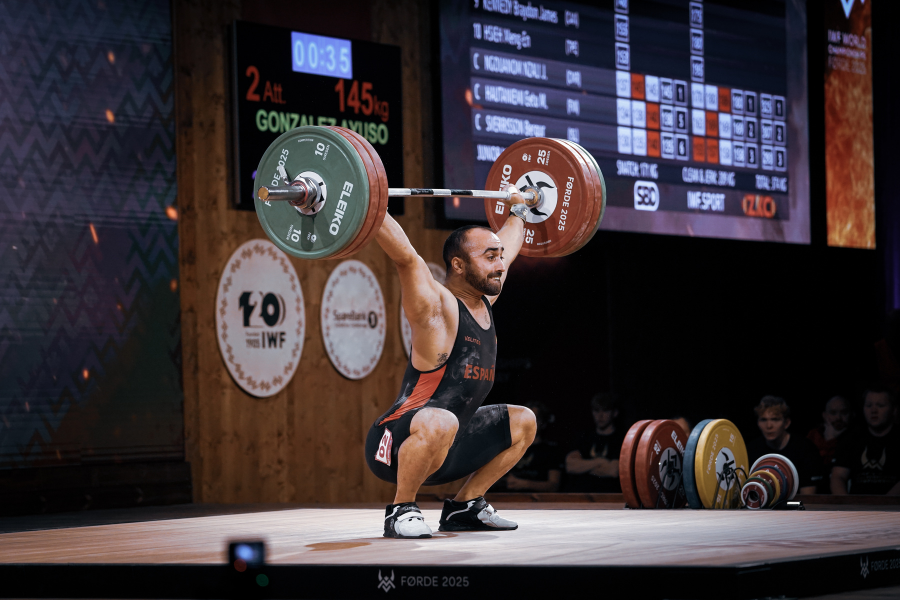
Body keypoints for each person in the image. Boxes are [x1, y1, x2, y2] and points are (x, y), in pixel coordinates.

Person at [365, 187, 536, 539]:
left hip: (447, 444)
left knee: (523, 422)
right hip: (394, 442)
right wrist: (369, 203)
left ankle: (465, 506)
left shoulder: (483, 301)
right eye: (490, 257)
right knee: (442, 420)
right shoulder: (436, 308)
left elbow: (508, 246)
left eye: (499, 257)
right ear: (458, 265)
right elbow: (407, 258)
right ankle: (401, 509)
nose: (500, 265)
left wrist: (519, 210)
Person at [746, 396, 822, 495]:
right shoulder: (752, 449)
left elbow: (808, 497)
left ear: (786, 423)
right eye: (763, 420)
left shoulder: (805, 449)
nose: (769, 426)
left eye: (775, 419)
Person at [832, 388, 900, 495]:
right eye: (868, 405)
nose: (873, 410)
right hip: (856, 503)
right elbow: (838, 477)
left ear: (894, 409)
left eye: (880, 405)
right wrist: (846, 503)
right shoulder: (851, 438)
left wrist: (885, 502)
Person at [491, 401, 563, 493]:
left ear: (543, 423)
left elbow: (553, 485)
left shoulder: (551, 451)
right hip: (504, 498)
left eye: (533, 418)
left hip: (536, 500)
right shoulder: (507, 447)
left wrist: (525, 484)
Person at [563, 393, 625, 493]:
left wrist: (584, 467)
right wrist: (600, 462)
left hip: (609, 495)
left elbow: (613, 471)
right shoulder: (584, 437)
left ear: (615, 413)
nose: (600, 415)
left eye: (605, 411)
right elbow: (570, 466)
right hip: (582, 494)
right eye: (596, 410)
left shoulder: (621, 439)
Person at [807, 395, 852, 492]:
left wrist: (834, 439)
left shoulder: (856, 437)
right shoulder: (814, 435)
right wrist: (829, 440)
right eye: (833, 413)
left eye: (843, 412)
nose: (838, 418)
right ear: (825, 415)